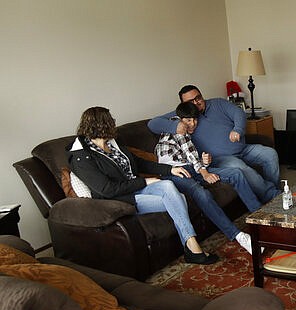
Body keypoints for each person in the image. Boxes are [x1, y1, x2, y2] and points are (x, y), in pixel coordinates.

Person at [67, 106, 218, 265]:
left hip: (136, 187)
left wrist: (170, 169)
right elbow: (107, 190)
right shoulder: (81, 157)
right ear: (102, 124)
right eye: (110, 120)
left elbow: (138, 163)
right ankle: (193, 248)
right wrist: (145, 181)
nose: (113, 123)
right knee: (179, 198)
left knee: (167, 185)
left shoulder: (112, 143)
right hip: (122, 199)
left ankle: (191, 247)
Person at [155, 102, 262, 255]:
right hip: (174, 173)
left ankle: (259, 219)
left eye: (195, 120)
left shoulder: (185, 128)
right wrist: (204, 173)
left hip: (190, 168)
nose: (192, 124)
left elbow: (191, 156)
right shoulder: (177, 126)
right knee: (202, 193)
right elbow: (189, 152)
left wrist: (204, 162)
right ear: (180, 119)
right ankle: (238, 236)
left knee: (235, 173)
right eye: (188, 120)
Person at [148, 85, 281, 204]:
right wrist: (175, 126)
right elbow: (152, 123)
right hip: (220, 158)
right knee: (240, 167)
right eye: (191, 101)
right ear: (184, 105)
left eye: (198, 97)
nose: (196, 102)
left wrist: (237, 129)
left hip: (243, 149)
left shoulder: (218, 103)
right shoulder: (183, 115)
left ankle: (276, 191)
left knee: (270, 154)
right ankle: (273, 196)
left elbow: (238, 113)